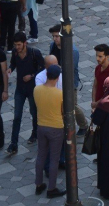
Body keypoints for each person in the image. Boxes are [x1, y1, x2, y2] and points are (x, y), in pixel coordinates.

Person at [7, 31, 45, 155]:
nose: (17, 47)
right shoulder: (14, 52)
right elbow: (13, 63)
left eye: (19, 45)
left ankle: (35, 132)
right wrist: (10, 69)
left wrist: (32, 76)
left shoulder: (35, 53)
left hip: (33, 89)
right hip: (20, 89)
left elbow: (43, 69)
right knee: (17, 116)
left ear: (25, 43)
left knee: (34, 112)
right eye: (15, 45)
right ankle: (13, 143)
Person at [33, 65, 66, 198]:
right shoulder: (59, 94)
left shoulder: (37, 89)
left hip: (41, 126)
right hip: (56, 128)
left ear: (46, 75)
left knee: (41, 156)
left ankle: (38, 184)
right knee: (54, 159)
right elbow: (63, 111)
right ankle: (51, 188)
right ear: (58, 78)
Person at [90, 44, 109, 114]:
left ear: (107, 57)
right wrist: (94, 103)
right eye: (96, 56)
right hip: (98, 105)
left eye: (100, 56)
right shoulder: (98, 68)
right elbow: (95, 85)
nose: (97, 58)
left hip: (107, 107)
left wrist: (96, 104)